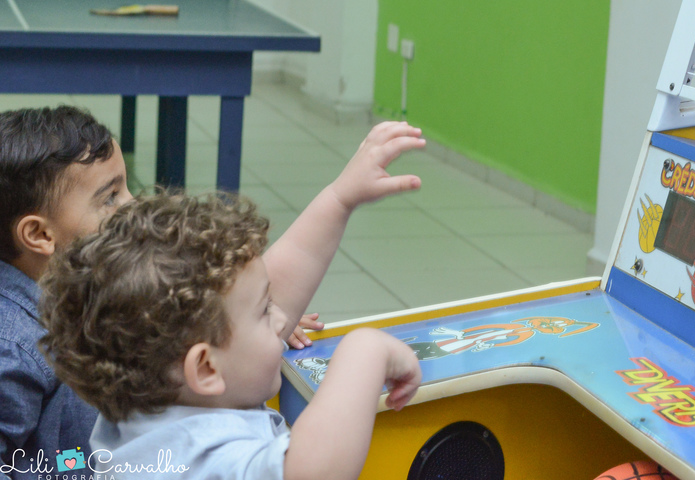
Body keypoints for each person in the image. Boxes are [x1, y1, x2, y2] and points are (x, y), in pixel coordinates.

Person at [41, 121, 426, 480]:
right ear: (205, 368)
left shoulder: (145, 402)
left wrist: (340, 198)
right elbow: (313, 470)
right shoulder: (196, 457)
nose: (282, 321)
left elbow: (244, 306)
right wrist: (365, 351)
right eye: (265, 312)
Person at [0, 107, 131, 480]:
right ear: (40, 235)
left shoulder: (89, 283)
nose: (131, 207)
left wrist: (239, 322)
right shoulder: (13, 347)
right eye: (110, 198)